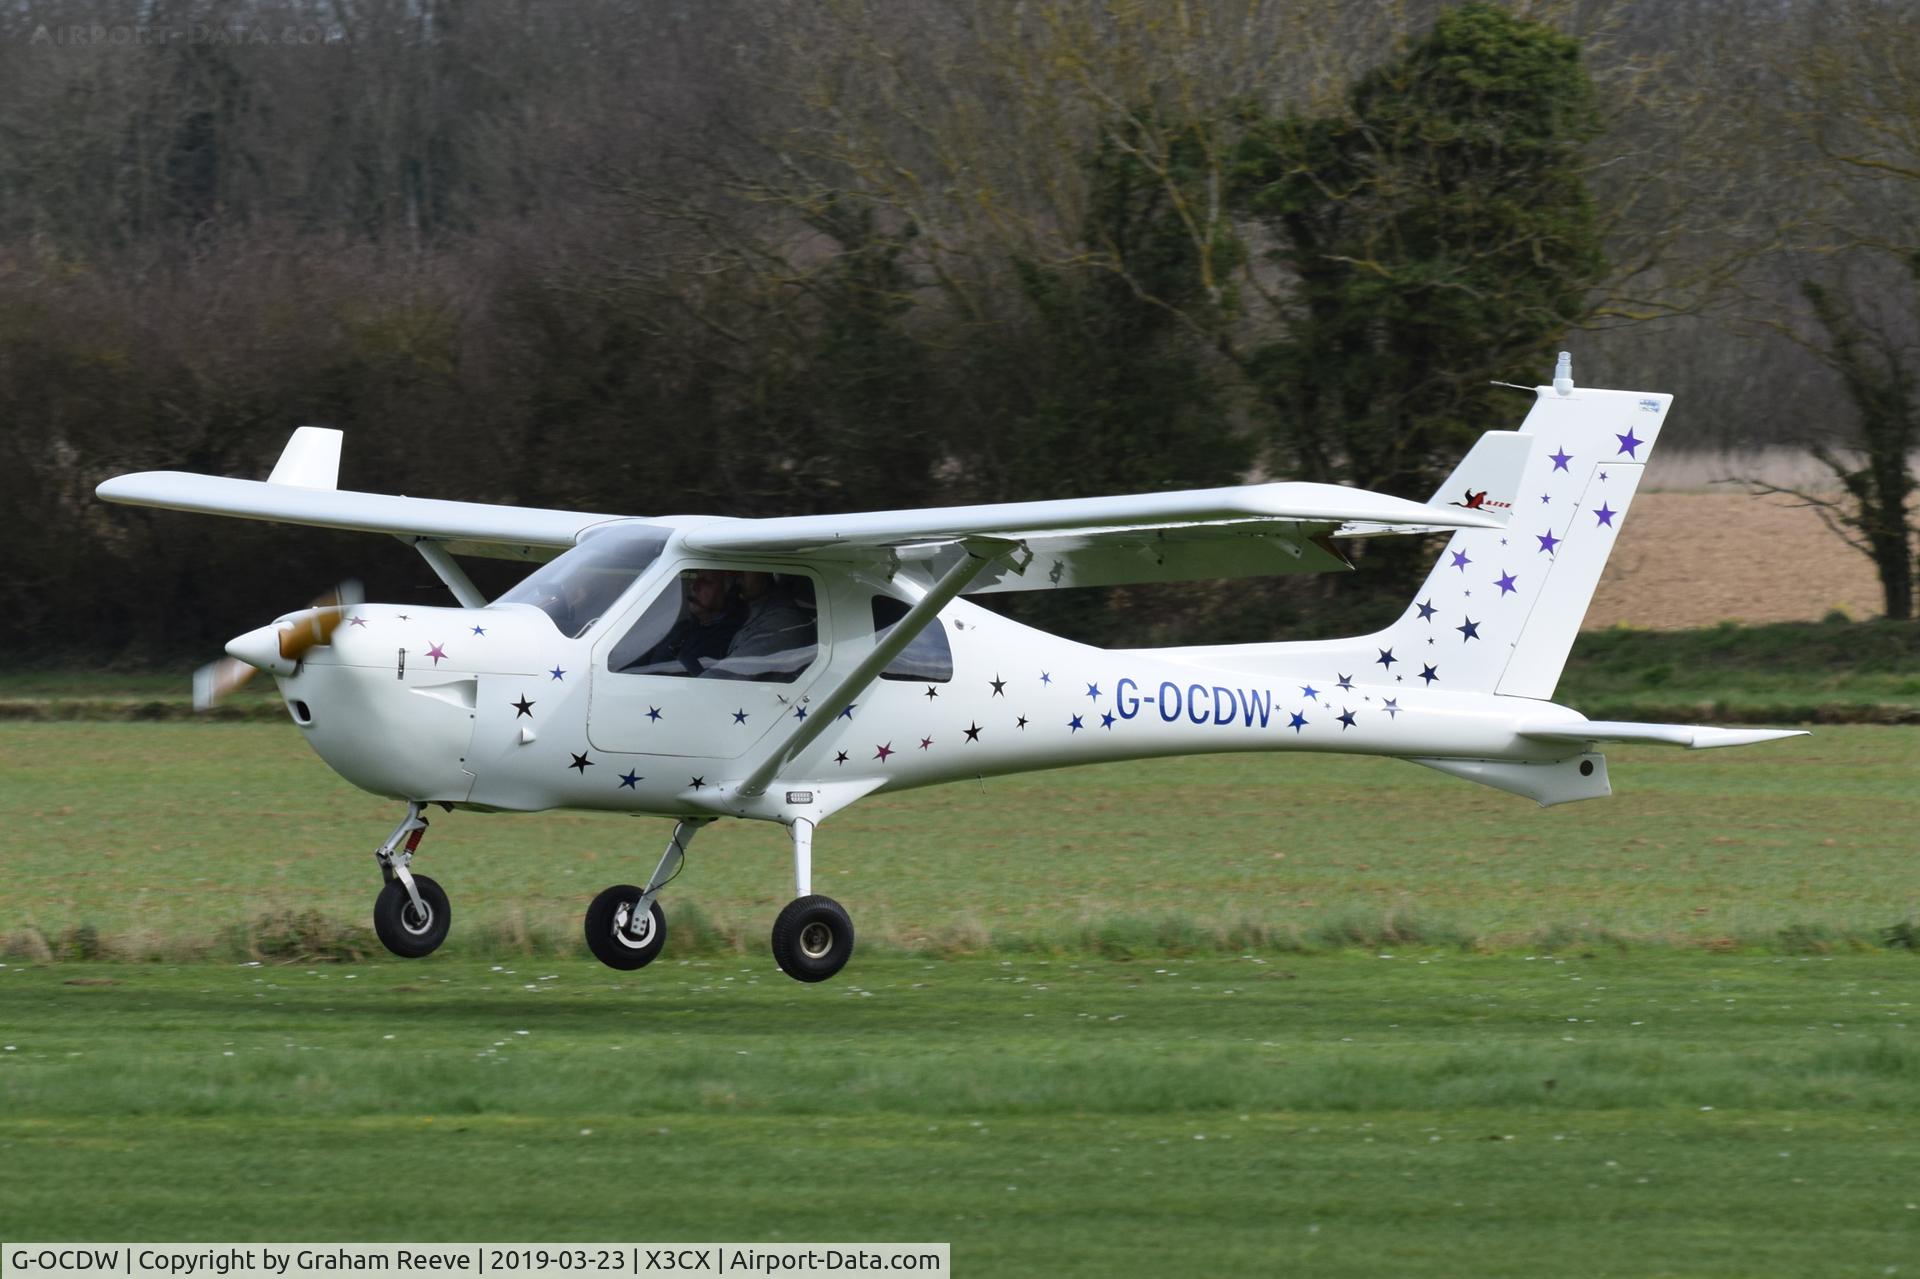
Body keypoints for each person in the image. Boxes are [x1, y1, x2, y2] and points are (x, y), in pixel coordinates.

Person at [703, 572, 815, 679]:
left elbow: (725, 676)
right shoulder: (750, 612)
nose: (735, 574)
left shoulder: (784, 622)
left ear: (765, 573)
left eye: (744, 567)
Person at [638, 569, 745, 674]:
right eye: (696, 579)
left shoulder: (733, 639)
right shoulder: (682, 628)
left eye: (707, 581)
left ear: (730, 592)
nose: (694, 586)